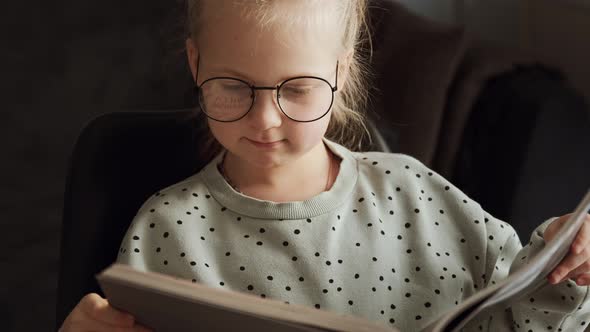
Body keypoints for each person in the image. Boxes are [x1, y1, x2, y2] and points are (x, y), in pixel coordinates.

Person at [59, 0, 590, 331]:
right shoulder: (167, 230)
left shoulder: (414, 196)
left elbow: (523, 315)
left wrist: (567, 271)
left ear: (342, 70)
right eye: (234, 87)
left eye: (297, 88)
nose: (266, 121)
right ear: (196, 63)